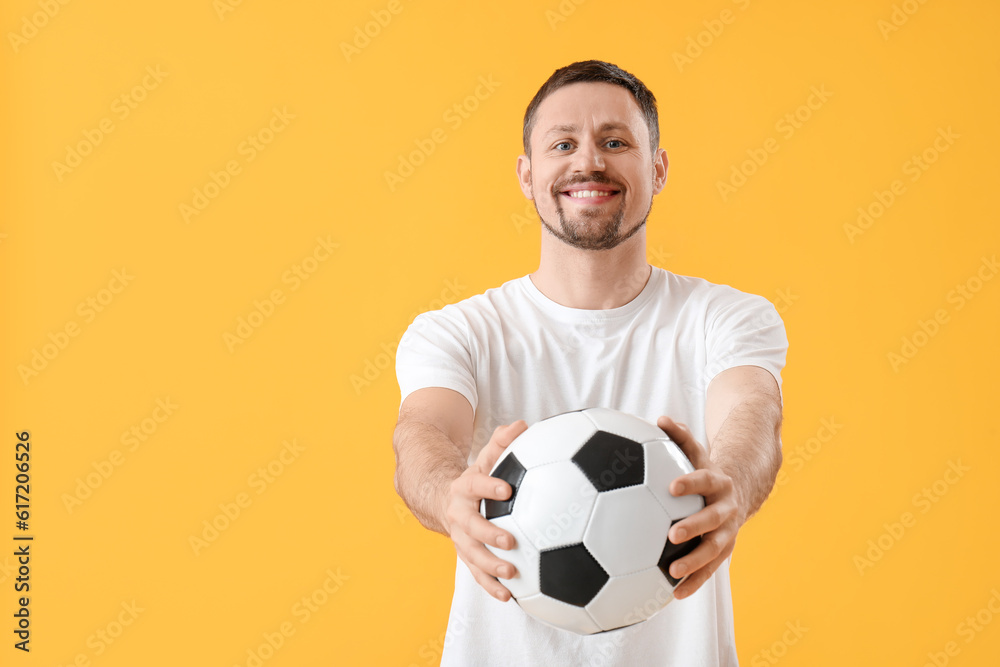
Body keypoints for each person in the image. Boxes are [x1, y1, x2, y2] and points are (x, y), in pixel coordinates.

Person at [392, 60, 787, 666]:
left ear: (657, 169)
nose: (589, 163)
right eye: (563, 144)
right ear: (527, 174)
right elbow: (422, 432)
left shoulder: (725, 318)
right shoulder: (460, 331)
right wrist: (450, 495)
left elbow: (753, 415)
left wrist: (728, 484)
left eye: (615, 142)